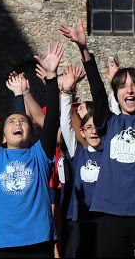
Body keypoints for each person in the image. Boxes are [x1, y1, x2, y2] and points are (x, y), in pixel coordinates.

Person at [58, 9, 135, 257]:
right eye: (122, 86)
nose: (129, 90)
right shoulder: (109, 123)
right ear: (117, 94)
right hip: (110, 213)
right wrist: (83, 49)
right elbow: (98, 92)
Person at [0, 43, 64, 256]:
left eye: (22, 122)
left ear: (31, 131)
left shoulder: (39, 155)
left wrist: (52, 76)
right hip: (2, 244)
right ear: (3, 135)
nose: (17, 124)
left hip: (38, 242)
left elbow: (52, 120)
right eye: (11, 122)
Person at [56, 64, 102, 258]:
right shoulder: (78, 151)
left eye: (97, 126)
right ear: (82, 131)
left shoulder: (110, 152)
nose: (93, 131)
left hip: (104, 219)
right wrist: (66, 93)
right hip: (79, 218)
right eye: (88, 127)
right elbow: (66, 124)